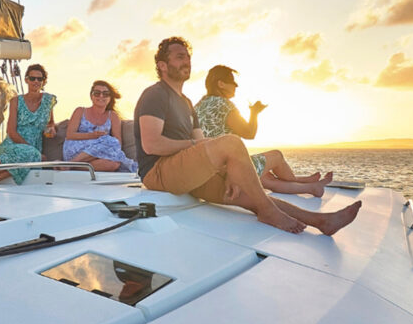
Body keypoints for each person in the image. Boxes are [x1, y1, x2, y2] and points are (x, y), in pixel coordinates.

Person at [133, 37, 361, 236]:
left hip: (186, 172)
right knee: (232, 142)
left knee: (251, 194)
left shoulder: (188, 103)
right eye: (180, 57)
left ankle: (321, 221)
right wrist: (200, 146)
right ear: (162, 65)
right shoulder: (155, 94)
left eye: (189, 57)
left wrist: (230, 170)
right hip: (158, 172)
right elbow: (152, 145)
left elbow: (203, 143)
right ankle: (269, 213)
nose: (187, 61)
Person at [195, 65, 332, 196]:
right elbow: (249, 133)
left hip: (210, 172)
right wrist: (254, 112)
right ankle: (297, 180)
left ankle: (311, 187)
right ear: (221, 84)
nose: (236, 85)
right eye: (232, 81)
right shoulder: (224, 105)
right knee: (277, 156)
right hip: (230, 172)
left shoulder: (198, 105)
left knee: (266, 178)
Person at [0, 64, 57, 185]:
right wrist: (31, 150)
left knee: (27, 158)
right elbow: (11, 131)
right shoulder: (16, 101)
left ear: (43, 81)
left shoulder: (48, 100)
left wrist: (51, 129)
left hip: (35, 145)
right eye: (32, 78)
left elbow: (51, 122)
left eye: (39, 79)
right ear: (26, 80)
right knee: (28, 155)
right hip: (14, 142)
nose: (36, 81)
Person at [62, 80, 137, 173]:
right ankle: (72, 163)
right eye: (97, 93)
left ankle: (71, 166)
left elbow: (118, 142)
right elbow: (70, 135)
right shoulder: (80, 111)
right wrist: (93, 135)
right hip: (76, 149)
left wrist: (102, 147)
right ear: (91, 96)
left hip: (99, 153)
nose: (101, 96)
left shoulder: (112, 116)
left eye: (105, 94)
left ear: (110, 97)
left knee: (114, 164)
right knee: (109, 140)